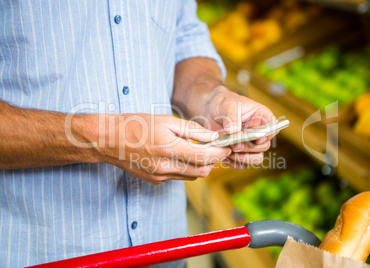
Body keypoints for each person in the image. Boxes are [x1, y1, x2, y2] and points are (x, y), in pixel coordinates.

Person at [0, 1, 276, 267]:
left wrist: (213, 98)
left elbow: (184, 40)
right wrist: (105, 139)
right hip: (47, 255)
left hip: (166, 247)